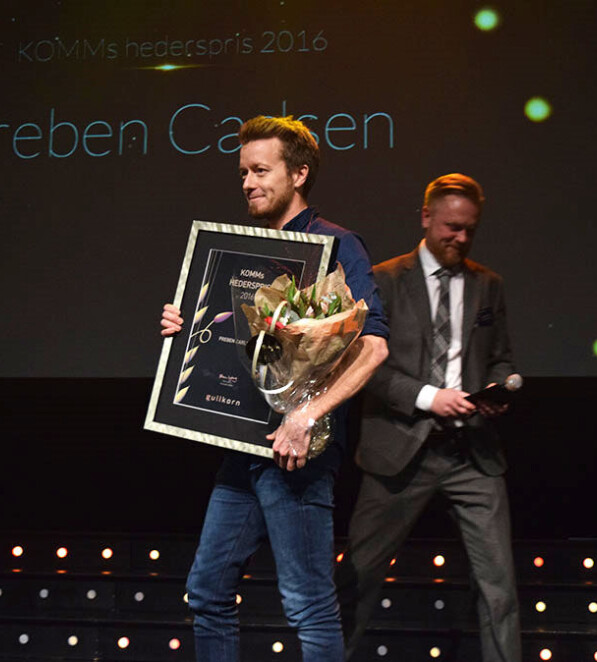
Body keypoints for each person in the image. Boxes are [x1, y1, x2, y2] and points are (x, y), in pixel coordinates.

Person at [160, 116, 389, 662]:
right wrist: (187, 326)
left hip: (297, 454)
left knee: (308, 604)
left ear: (300, 174)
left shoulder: (336, 244)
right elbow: (234, 343)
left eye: (260, 170)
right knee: (207, 591)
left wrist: (306, 417)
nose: (246, 182)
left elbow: (374, 346)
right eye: (243, 172)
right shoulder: (239, 249)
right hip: (245, 449)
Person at [337, 173, 521, 661]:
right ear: (425, 218)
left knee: (499, 588)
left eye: (469, 230)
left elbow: (500, 357)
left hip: (472, 454)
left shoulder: (489, 285)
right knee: (358, 577)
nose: (460, 238)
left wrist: (502, 387)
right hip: (398, 451)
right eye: (451, 227)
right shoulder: (382, 280)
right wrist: (427, 397)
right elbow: (361, 364)